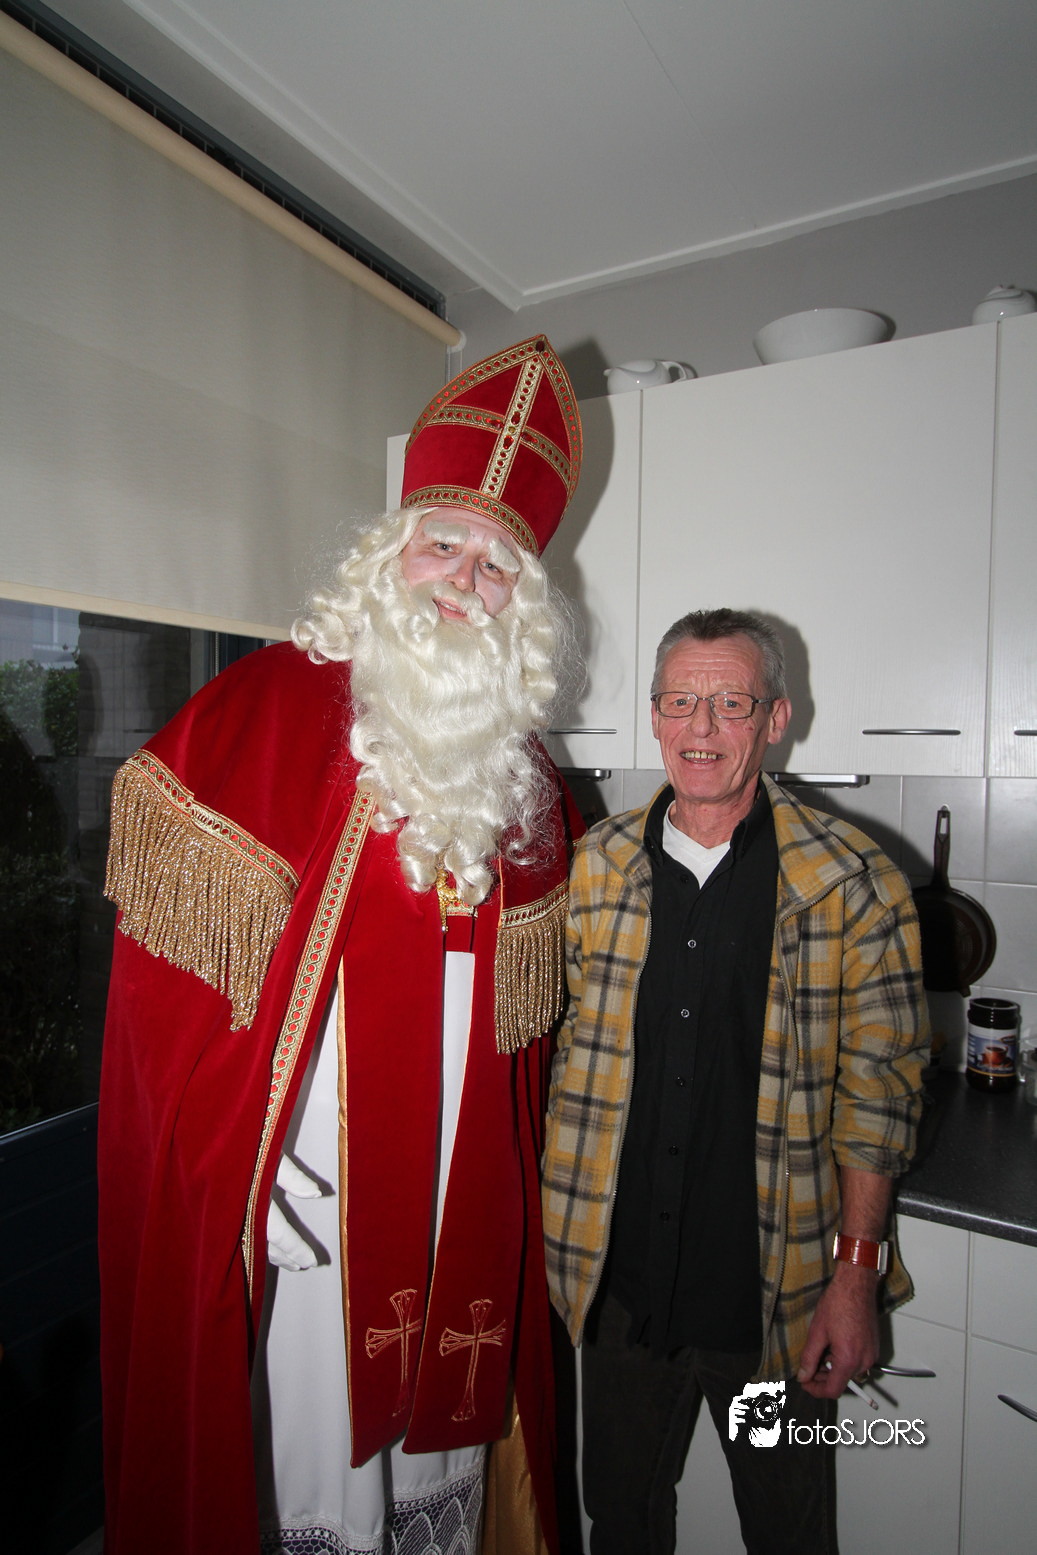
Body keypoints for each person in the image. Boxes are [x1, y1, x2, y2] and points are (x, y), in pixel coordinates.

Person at [98, 336, 584, 1555]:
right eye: (442, 544)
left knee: (440, 1461)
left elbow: (515, 1056)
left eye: (494, 565)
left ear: (520, 609)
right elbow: (168, 1025)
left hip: (455, 1198)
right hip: (306, 1196)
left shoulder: (526, 788)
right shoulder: (262, 709)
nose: (462, 581)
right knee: (307, 1467)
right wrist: (239, 1169)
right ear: (388, 551)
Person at [541, 608, 929, 1555]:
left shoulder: (850, 882)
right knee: (620, 1520)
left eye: (730, 703)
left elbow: (879, 1099)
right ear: (653, 715)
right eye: (680, 701)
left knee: (786, 1531)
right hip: (619, 1291)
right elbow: (552, 1058)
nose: (701, 728)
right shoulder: (592, 870)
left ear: (775, 718)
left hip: (776, 1301)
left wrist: (854, 1280)